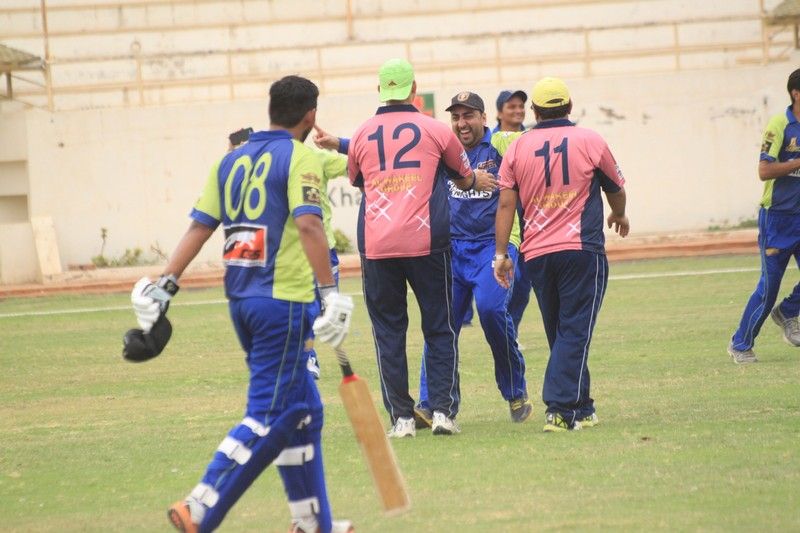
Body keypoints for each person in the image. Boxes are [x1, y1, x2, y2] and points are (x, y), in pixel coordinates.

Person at [129, 75, 354, 533]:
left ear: (271, 110)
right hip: (284, 301)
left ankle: (312, 523)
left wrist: (165, 286)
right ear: (310, 115)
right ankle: (199, 505)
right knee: (271, 413)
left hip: (241, 301)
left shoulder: (229, 160)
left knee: (305, 412)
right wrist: (330, 294)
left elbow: (199, 227)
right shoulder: (301, 157)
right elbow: (309, 225)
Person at [347, 58, 494, 438]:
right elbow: (464, 179)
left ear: (380, 90)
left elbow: (359, 180)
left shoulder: (362, 133)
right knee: (440, 328)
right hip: (427, 243)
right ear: (413, 90)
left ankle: (402, 419)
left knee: (388, 333)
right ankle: (443, 412)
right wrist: (470, 178)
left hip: (378, 245)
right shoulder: (435, 129)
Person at [494, 77, 629, 432]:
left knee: (561, 331)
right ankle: (559, 408)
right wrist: (619, 213)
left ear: (535, 112)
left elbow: (505, 203)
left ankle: (582, 406)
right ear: (569, 107)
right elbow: (615, 187)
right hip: (581, 250)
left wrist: (500, 253)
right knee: (574, 330)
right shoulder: (590, 140)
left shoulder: (518, 148)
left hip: (537, 254)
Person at [414, 91, 532, 425]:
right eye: (456, 117)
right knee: (440, 324)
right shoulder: (444, 148)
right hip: (451, 250)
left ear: (483, 118)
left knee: (492, 311)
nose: (462, 124)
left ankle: (515, 390)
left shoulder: (503, 143)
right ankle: (430, 402)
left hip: (493, 248)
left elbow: (538, 143)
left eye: (468, 116)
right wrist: (339, 143)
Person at [728, 68, 800, 364]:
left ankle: (788, 311)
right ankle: (740, 344)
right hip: (778, 218)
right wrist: (796, 162)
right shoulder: (779, 124)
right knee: (768, 288)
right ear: (796, 94)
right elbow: (764, 170)